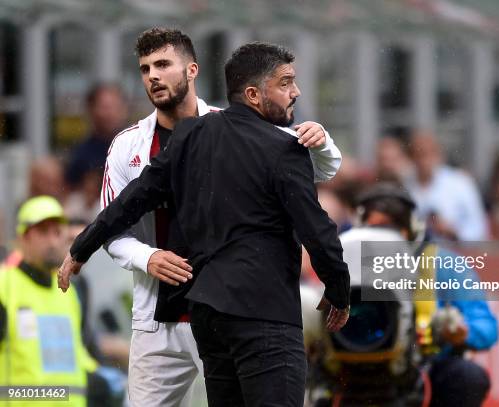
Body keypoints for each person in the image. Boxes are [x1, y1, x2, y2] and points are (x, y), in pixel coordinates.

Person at [61, 41, 350, 406]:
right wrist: (339, 289)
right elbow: (317, 230)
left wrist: (81, 248)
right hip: (263, 313)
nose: (296, 93)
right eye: (286, 83)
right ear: (253, 94)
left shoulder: (191, 135)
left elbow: (133, 199)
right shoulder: (283, 148)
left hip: (209, 317)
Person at [345, 183, 498, 407]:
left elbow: (487, 327)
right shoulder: (344, 259)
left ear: (412, 228)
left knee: (467, 377)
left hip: (424, 367)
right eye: (374, 229)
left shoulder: (444, 265)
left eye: (391, 229)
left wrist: (460, 331)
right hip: (355, 366)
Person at [0, 196, 98, 407]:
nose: (53, 241)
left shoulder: (69, 291)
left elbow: (76, 353)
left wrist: (99, 377)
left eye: (57, 232)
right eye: (43, 232)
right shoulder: (4, 287)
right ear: (23, 238)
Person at [404, 130, 488, 241]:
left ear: (439, 155)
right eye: (418, 155)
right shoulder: (404, 187)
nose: (424, 161)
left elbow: (479, 227)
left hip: (457, 252)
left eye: (429, 154)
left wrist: (454, 232)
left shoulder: (461, 183)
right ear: (410, 158)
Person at [65, 83, 128, 188]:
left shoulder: (141, 147)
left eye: (115, 106)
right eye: (105, 107)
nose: (110, 113)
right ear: (91, 110)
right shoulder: (80, 155)